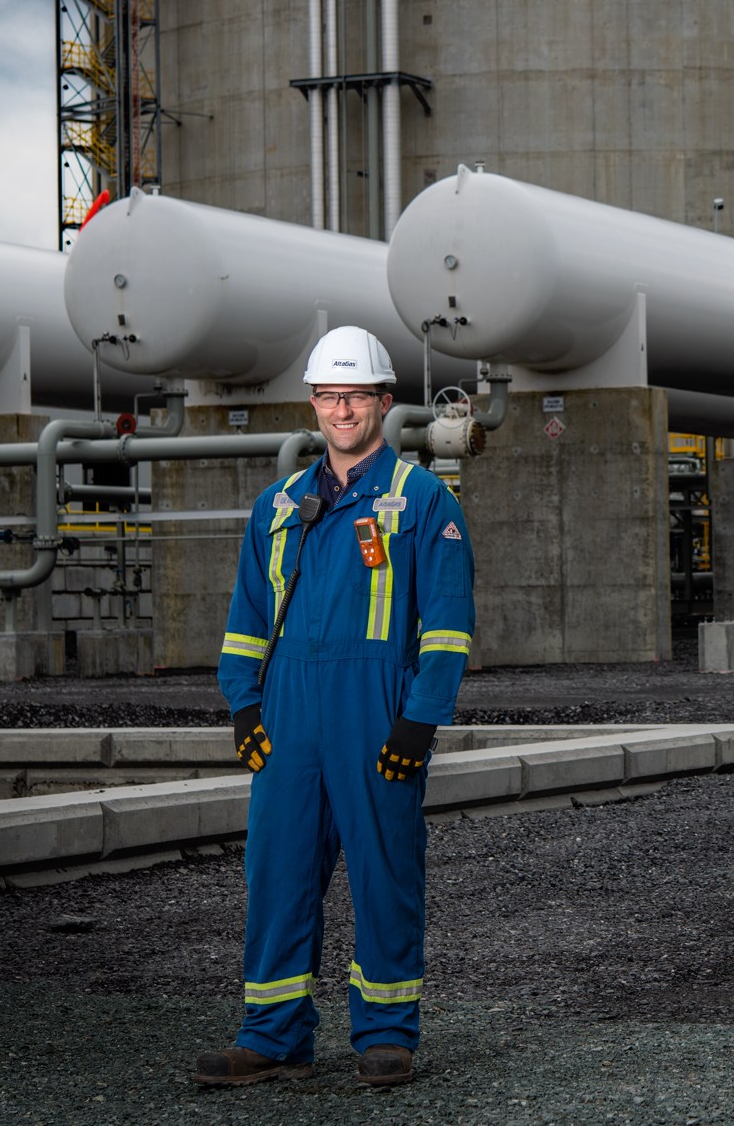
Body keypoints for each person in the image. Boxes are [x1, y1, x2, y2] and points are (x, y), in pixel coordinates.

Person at [194, 326, 475, 1088]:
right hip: (288, 712)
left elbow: (446, 625)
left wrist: (420, 718)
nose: (340, 409)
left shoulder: (424, 501)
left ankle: (386, 1030)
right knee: (276, 871)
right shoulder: (279, 505)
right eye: (327, 395)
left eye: (355, 395)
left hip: (375, 710)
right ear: (313, 403)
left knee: (384, 870)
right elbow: (249, 616)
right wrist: (243, 706)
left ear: (384, 402)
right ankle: (274, 1033)